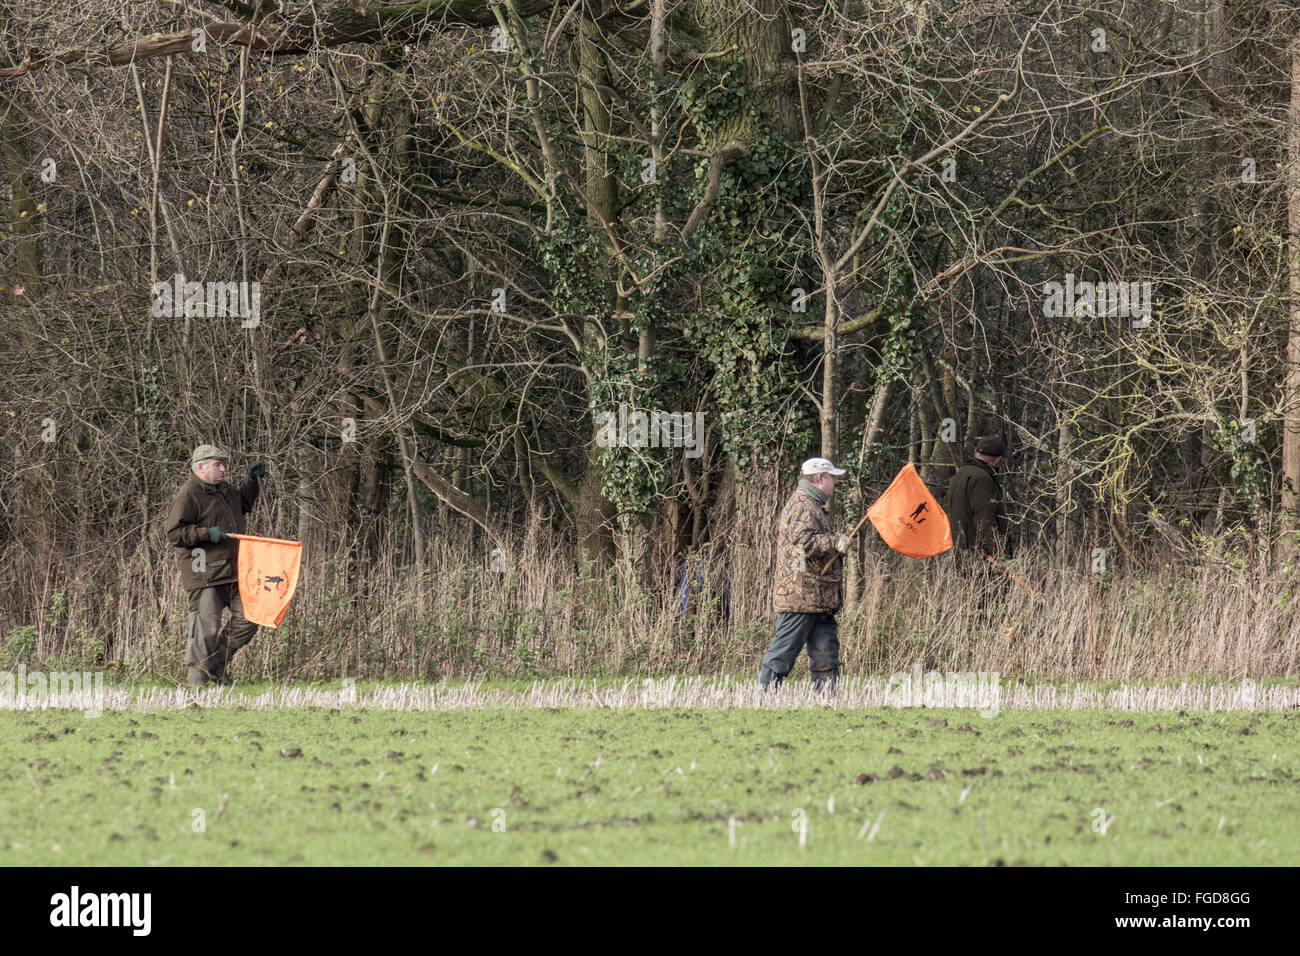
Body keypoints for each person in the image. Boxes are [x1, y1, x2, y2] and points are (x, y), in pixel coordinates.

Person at [164, 444, 267, 687]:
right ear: (200, 467)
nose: (223, 469)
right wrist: (207, 533)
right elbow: (174, 533)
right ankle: (196, 685)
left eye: (223, 464)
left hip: (233, 571)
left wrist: (253, 482)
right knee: (205, 630)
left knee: (250, 618)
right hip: (204, 574)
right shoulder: (188, 494)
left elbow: (242, 505)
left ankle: (216, 665)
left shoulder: (224, 490)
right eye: (217, 465)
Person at [758, 457, 852, 692]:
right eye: (832, 478)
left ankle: (828, 701)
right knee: (782, 654)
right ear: (820, 479)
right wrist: (834, 542)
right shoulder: (802, 505)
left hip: (817, 598)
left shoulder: (813, 505)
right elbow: (801, 543)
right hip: (800, 597)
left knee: (826, 657)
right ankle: (762, 696)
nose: (835, 484)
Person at [944, 435, 1007, 565]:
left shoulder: (959, 475)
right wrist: (998, 557)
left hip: (959, 552)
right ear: (997, 460)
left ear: (975, 452)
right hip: (979, 558)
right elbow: (985, 521)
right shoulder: (982, 479)